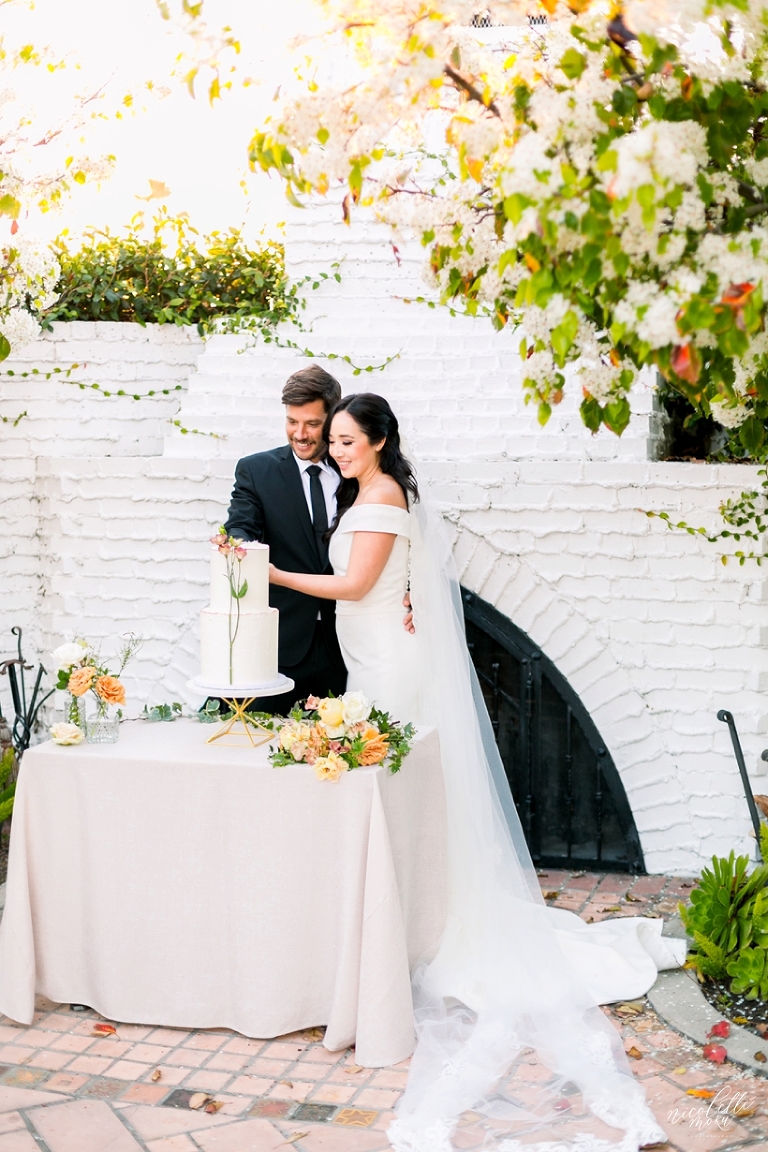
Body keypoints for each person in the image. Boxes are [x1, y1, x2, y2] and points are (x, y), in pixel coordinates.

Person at [269, 392, 685, 1152]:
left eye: (349, 441)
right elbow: (397, 589)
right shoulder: (369, 494)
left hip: (386, 666)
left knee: (393, 788)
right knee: (393, 794)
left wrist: (273, 573)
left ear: (382, 441)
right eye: (332, 442)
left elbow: (357, 588)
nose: (337, 451)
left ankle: (419, 917)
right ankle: (406, 906)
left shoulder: (384, 495)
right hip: (371, 653)